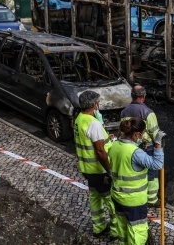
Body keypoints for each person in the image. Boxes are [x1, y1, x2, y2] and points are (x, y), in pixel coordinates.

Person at [109, 117, 164, 245]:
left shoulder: (115, 145)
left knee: (122, 228)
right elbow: (157, 164)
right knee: (137, 230)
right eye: (142, 134)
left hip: (117, 196)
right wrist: (158, 145)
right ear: (136, 134)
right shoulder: (136, 153)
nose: (143, 137)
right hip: (133, 200)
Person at [74, 91, 118, 240]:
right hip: (99, 170)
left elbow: (89, 140)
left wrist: (107, 137)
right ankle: (115, 231)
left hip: (86, 169)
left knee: (95, 198)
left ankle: (98, 227)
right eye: (98, 103)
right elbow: (100, 151)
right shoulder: (93, 123)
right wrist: (109, 170)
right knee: (111, 201)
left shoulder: (80, 119)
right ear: (94, 105)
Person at [120, 85, 165, 206]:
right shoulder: (148, 113)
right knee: (152, 174)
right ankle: (152, 199)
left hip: (130, 147)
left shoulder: (124, 112)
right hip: (148, 148)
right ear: (144, 96)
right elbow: (156, 135)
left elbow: (122, 131)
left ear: (132, 96)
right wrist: (160, 150)